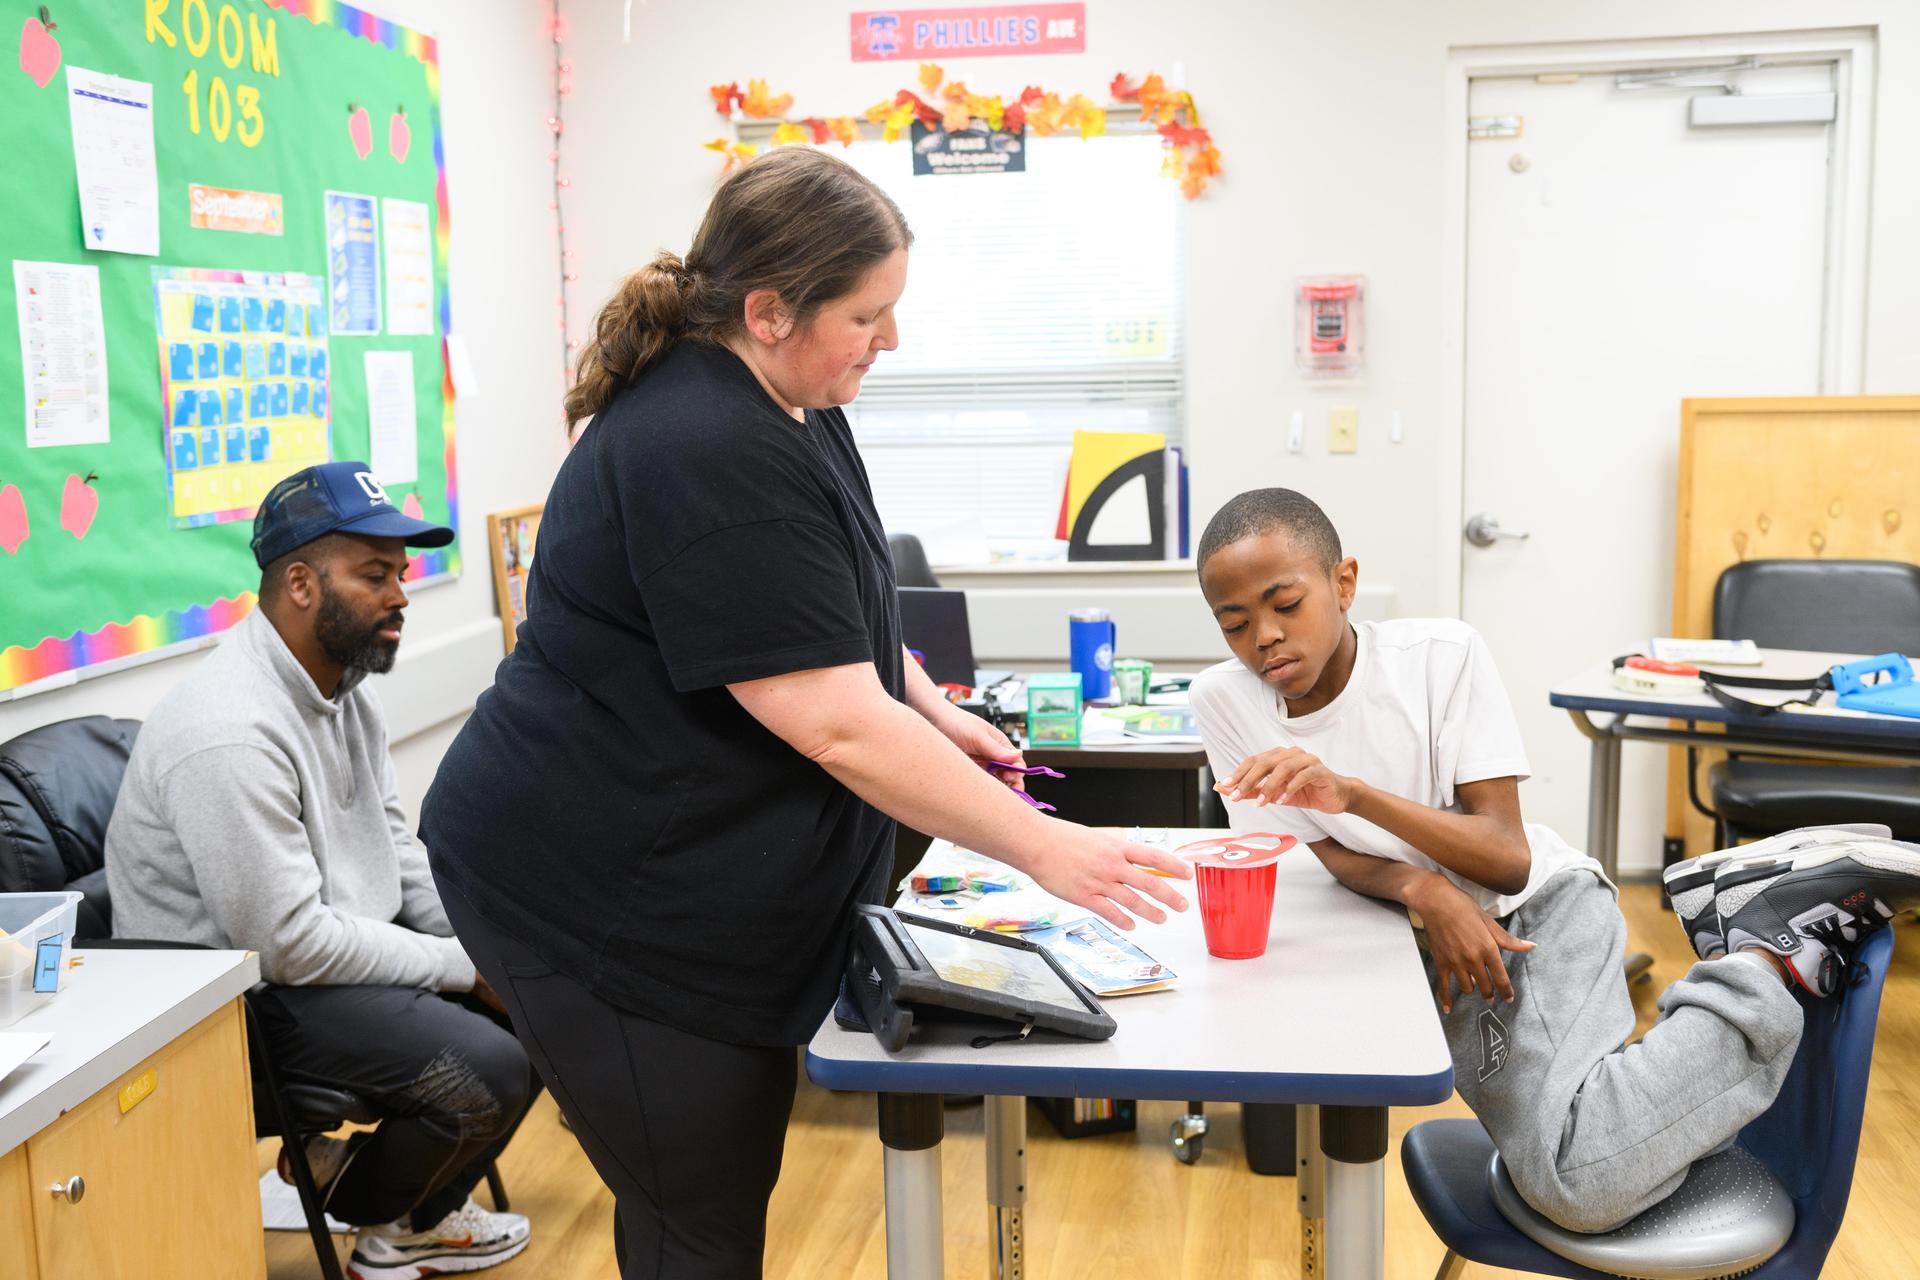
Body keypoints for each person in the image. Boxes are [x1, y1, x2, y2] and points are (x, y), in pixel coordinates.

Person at [420, 147, 1190, 1279]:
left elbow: (834, 607)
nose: (891, 341)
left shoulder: (791, 396)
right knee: (699, 1201)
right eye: (868, 314)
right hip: (588, 891)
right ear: (769, 309)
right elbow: (830, 720)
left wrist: (930, 705)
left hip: (681, 864)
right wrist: (1044, 845)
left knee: (712, 1179)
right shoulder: (702, 442)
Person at [1187, 487, 1920, 1233]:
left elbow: (1505, 858)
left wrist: (1355, 793)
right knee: (1581, 1146)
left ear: (1343, 583)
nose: (1264, 639)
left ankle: (1764, 957)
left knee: (1575, 1184)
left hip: (1537, 912)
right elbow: (1327, 855)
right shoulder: (1224, 699)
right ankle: (1727, 948)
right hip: (1434, 937)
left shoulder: (1440, 657)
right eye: (1235, 623)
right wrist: (1424, 890)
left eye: (1285, 605)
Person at [106, 462, 540, 1280]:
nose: (401, 596)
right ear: (300, 583)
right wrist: (460, 970)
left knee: (547, 1001)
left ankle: (423, 1213)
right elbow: (289, 945)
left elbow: (394, 850)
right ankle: (364, 1208)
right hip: (241, 1009)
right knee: (492, 1069)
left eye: (399, 575)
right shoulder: (228, 731)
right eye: (374, 575)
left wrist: (481, 949)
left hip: (331, 970)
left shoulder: (341, 692)